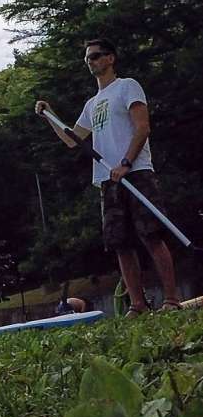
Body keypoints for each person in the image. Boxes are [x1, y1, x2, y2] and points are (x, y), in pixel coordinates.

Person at [36, 38, 181, 316]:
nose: (91, 61)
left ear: (111, 58)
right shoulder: (92, 104)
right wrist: (50, 116)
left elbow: (142, 127)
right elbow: (73, 140)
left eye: (96, 56)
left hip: (136, 172)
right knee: (120, 243)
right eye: (87, 58)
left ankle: (171, 300)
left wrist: (126, 162)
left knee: (151, 235)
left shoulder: (127, 86)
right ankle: (138, 305)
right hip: (107, 180)